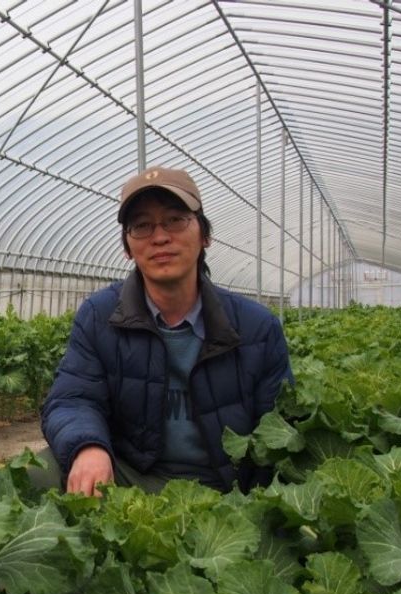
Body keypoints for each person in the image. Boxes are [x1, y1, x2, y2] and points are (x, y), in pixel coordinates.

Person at [37, 166, 292, 497]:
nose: (160, 237)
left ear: (205, 235)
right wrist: (88, 447)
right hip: (133, 478)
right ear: (128, 248)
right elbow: (72, 398)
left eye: (175, 219)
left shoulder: (257, 327)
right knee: (38, 472)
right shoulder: (99, 315)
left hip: (224, 488)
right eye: (142, 226)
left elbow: (281, 428)